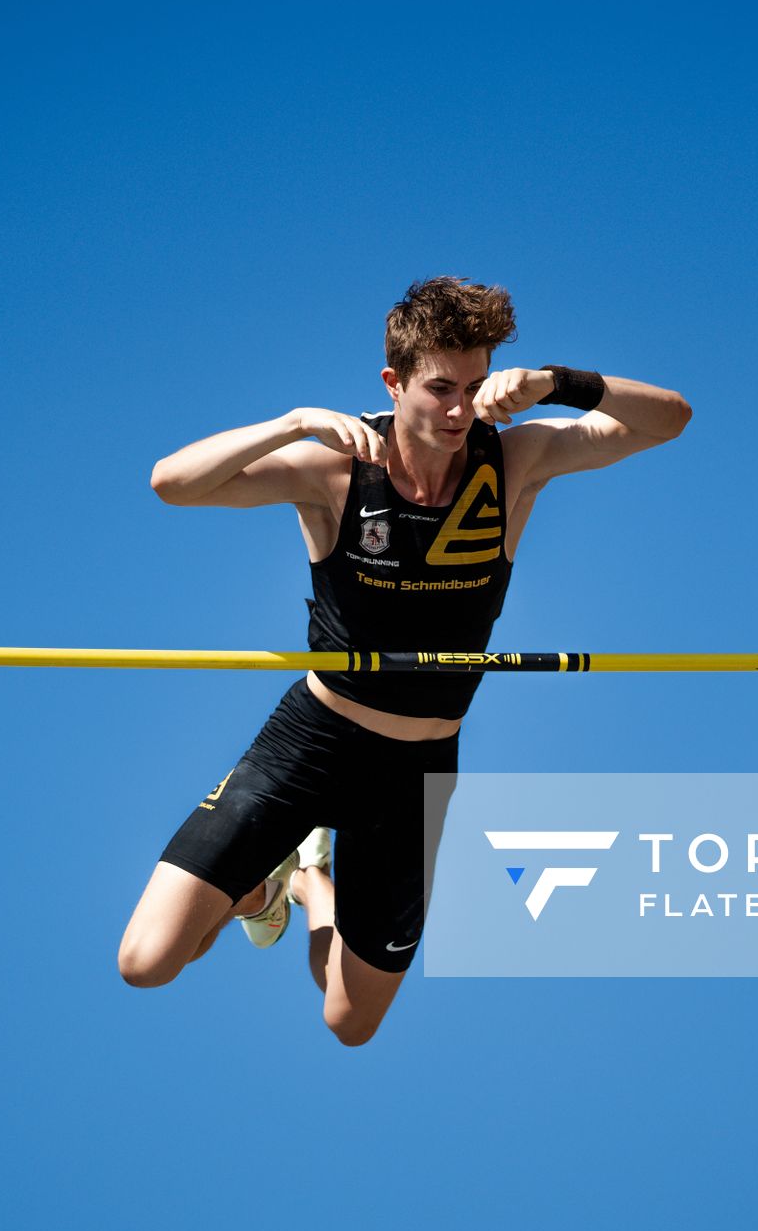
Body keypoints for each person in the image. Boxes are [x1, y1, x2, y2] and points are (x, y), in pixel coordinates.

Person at [117, 276, 692, 1045]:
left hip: (417, 772)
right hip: (312, 743)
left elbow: (669, 421)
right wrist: (290, 423)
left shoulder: (514, 459)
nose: (460, 410)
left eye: (476, 386)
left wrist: (557, 383)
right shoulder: (335, 466)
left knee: (349, 1021)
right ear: (393, 381)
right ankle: (262, 893)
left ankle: (310, 884)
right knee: (148, 961)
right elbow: (172, 484)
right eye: (440, 388)